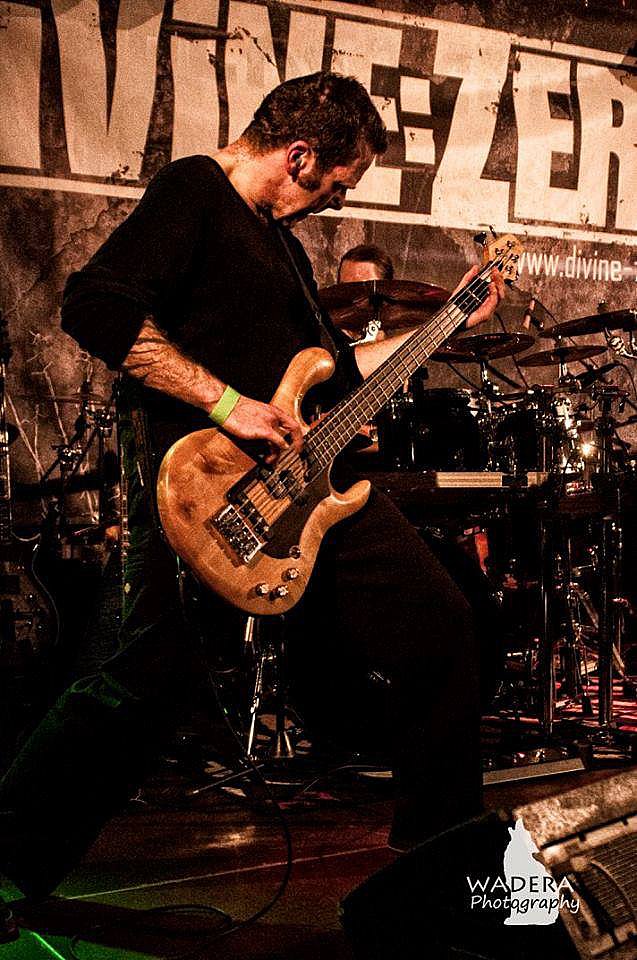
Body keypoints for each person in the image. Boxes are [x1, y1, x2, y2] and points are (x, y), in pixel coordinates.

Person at [0, 72, 503, 903]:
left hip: (303, 491)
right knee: (145, 677)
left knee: (440, 624)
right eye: (336, 182)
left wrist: (448, 321)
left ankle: (442, 857)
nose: (334, 199)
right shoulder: (194, 190)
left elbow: (336, 375)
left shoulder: (283, 248)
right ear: (299, 154)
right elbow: (95, 306)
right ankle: (9, 859)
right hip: (199, 484)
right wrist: (228, 404)